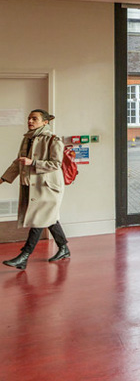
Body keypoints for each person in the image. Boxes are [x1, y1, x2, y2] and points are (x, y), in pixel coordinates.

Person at [1, 109, 70, 270]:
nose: (30, 121)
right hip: (33, 186)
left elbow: (55, 164)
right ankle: (64, 248)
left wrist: (32, 162)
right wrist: (3, 179)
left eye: (34, 118)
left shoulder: (53, 139)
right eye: (29, 118)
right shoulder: (27, 139)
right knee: (49, 219)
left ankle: (24, 257)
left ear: (45, 122)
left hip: (49, 188)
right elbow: (18, 162)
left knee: (39, 219)